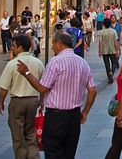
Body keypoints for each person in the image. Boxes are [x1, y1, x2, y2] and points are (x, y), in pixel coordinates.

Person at [16, 31, 98, 159]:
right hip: (74, 115)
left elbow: (42, 88)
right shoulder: (82, 63)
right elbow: (92, 91)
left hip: (56, 117)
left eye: (53, 43)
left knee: (53, 151)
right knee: (69, 153)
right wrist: (85, 112)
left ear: (59, 44)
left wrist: (26, 73)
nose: (52, 46)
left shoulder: (56, 62)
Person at [0, 35, 44, 159]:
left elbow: (4, 87)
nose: (12, 48)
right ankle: (34, 156)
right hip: (33, 100)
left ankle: (21, 156)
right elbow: (43, 85)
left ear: (20, 47)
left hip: (17, 101)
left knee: (18, 134)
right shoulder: (38, 62)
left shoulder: (13, 64)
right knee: (31, 131)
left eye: (13, 46)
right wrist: (42, 100)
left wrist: (1, 102)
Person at [96, 18, 120, 83]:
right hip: (112, 49)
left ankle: (110, 78)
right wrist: (117, 50)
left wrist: (99, 51)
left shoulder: (101, 32)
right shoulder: (113, 31)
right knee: (114, 63)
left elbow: (100, 42)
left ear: (103, 24)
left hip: (104, 50)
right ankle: (112, 72)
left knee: (107, 64)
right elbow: (116, 41)